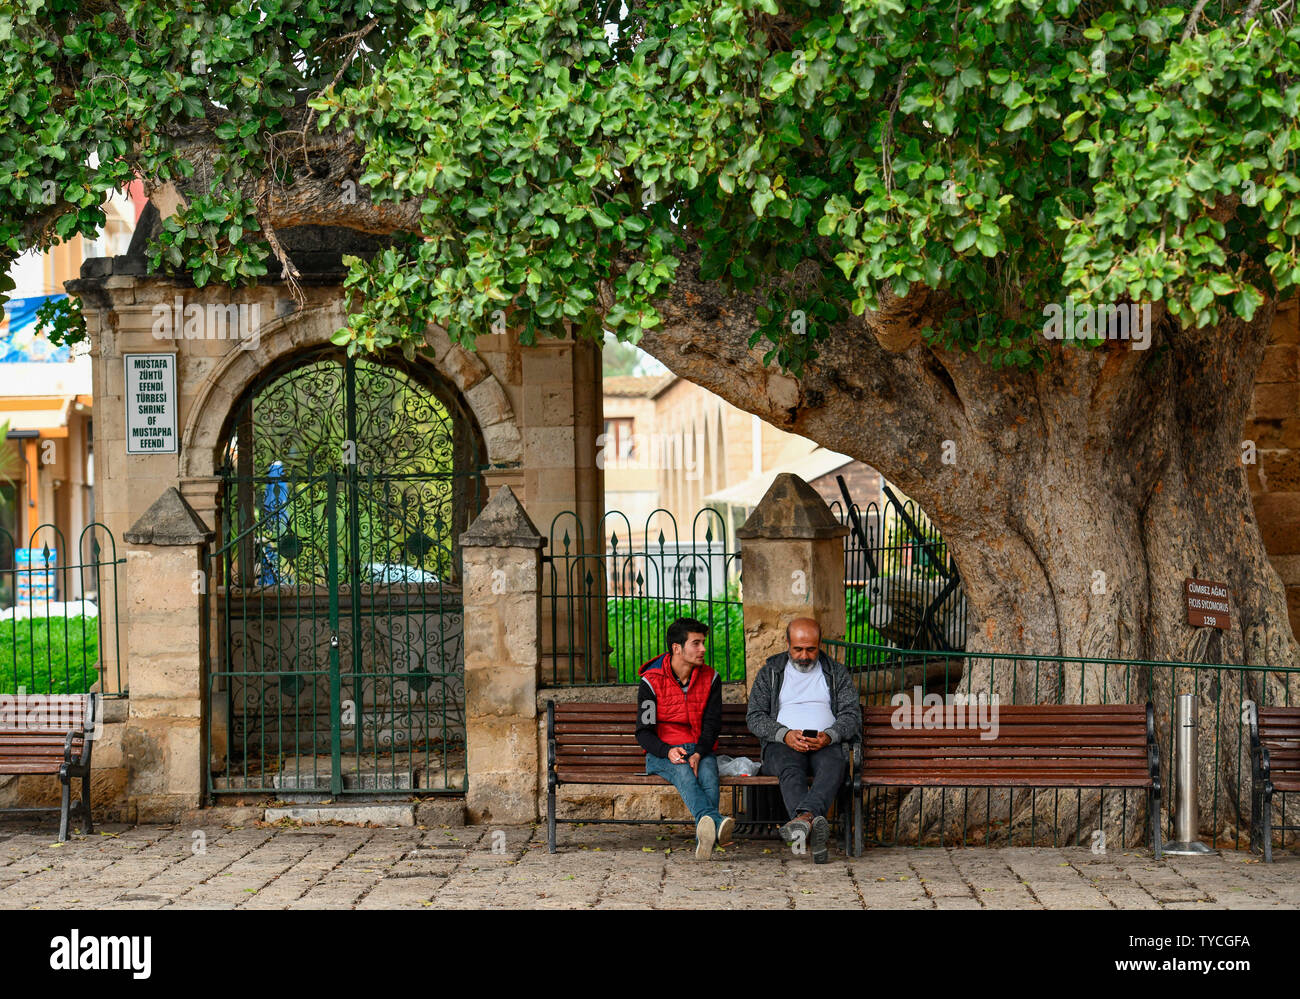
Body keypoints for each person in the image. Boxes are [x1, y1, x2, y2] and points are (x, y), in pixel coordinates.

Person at [746, 617, 861, 863]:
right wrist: (784, 734)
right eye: (798, 649)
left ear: (820, 645)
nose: (804, 656)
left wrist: (830, 735)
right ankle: (812, 822)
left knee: (835, 764)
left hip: (824, 743)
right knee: (790, 769)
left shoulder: (835, 673)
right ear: (787, 643)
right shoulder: (771, 672)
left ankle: (804, 821)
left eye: (811, 649)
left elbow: (851, 716)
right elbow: (754, 717)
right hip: (782, 745)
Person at [635, 616, 734, 859]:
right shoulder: (651, 680)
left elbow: (712, 725)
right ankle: (716, 822)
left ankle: (705, 841)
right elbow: (644, 732)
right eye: (696, 643)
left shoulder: (711, 678)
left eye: (703, 643)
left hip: (701, 748)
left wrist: (699, 752)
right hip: (663, 752)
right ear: (677, 648)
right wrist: (668, 750)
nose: (703, 649)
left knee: (709, 775)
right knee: (682, 771)